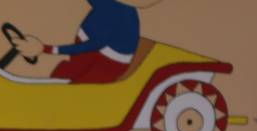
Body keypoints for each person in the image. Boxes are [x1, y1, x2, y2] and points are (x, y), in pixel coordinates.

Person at [16, 0, 160, 84]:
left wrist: (46, 49)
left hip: (102, 64)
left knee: (73, 89)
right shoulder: (105, 6)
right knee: (60, 73)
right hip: (86, 58)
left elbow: (93, 45)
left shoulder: (116, 11)